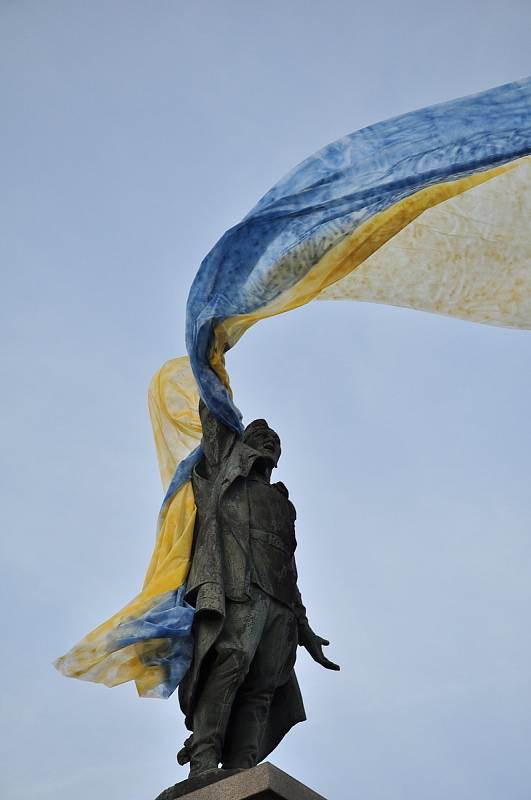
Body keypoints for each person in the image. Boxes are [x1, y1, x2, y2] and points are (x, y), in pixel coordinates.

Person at [178, 400, 339, 777]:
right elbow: (214, 419)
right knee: (230, 663)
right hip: (237, 590)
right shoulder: (224, 476)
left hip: (279, 603)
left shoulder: (283, 504)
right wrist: (213, 354)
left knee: (264, 686)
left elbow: (289, 567)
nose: (267, 441)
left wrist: (304, 627)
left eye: (274, 440)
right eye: (259, 435)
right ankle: (203, 760)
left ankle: (241, 766)